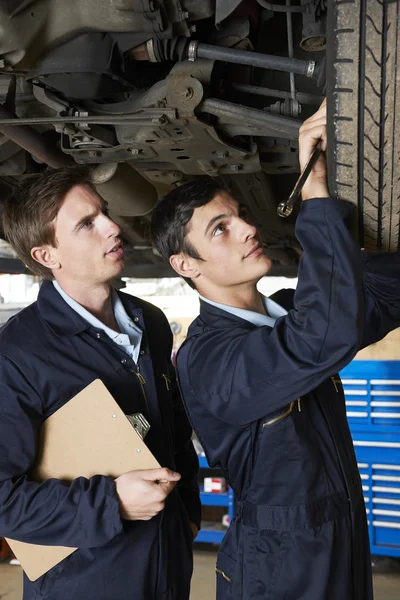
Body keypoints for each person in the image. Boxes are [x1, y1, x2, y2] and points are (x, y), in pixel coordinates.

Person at [150, 100, 400, 599]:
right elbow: (322, 335)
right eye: (219, 229)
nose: (247, 228)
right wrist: (314, 195)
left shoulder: (287, 312)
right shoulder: (208, 358)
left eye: (240, 215)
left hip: (341, 536)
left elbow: (386, 295)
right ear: (185, 265)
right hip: (278, 565)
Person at [0, 168, 201, 600]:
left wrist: (188, 510)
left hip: (167, 566)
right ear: (46, 255)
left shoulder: (151, 321)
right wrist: (111, 503)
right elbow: (4, 501)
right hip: (84, 582)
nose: (113, 227)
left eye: (104, 213)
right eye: (86, 224)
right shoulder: (18, 353)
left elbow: (174, 429)